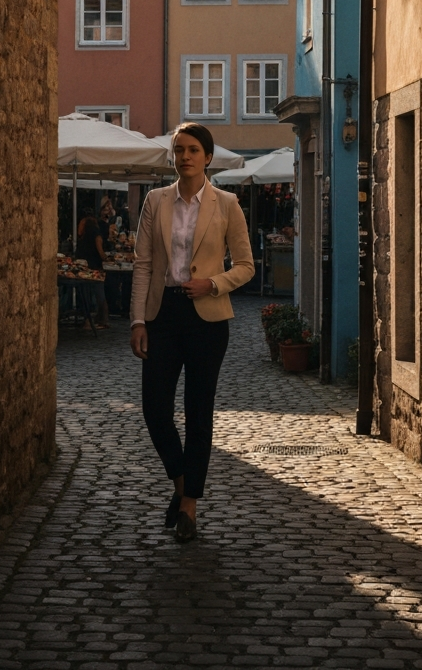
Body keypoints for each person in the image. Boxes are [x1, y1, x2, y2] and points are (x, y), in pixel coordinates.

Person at [129, 123, 255, 542]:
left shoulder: (227, 204)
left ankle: (189, 506)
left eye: (193, 150)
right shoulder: (155, 201)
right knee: (155, 409)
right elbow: (144, 264)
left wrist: (212, 283)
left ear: (207, 157)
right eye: (179, 150)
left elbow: (245, 265)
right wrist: (138, 321)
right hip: (163, 314)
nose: (184, 156)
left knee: (199, 413)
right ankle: (182, 481)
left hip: (207, 319)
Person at [75, 207, 108, 330]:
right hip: (93, 266)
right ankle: (100, 319)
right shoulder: (94, 233)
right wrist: (106, 258)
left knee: (94, 293)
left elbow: (98, 250)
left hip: (90, 267)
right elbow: (100, 251)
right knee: (98, 293)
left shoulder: (88, 233)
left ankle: (98, 320)